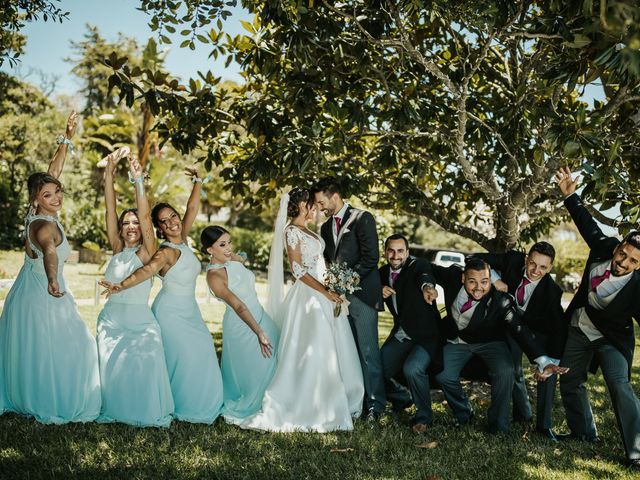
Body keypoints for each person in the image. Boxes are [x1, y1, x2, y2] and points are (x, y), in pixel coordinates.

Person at [232, 188, 364, 432]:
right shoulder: (291, 231)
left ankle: (331, 398)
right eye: (313, 204)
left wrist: (332, 285)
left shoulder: (307, 231)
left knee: (329, 348)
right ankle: (309, 404)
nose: (317, 208)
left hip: (322, 292)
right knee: (313, 348)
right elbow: (298, 270)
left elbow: (317, 264)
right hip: (308, 298)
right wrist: (325, 291)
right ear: (303, 206)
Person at [100, 166, 223, 424]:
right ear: (158, 228)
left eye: (173, 217)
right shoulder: (163, 251)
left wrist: (199, 181)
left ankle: (198, 403)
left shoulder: (184, 239)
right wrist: (121, 285)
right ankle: (181, 405)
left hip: (190, 310)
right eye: (164, 221)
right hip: (170, 312)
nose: (172, 223)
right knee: (182, 358)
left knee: (202, 354)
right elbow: (147, 271)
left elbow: (191, 209)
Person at [0, 112, 101, 423]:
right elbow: (49, 252)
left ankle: (27, 395)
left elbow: (52, 174)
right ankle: (53, 397)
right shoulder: (45, 226)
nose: (56, 197)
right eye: (48, 195)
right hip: (45, 293)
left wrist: (66, 138)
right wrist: (54, 279)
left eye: (57, 192)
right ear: (36, 199)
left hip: (25, 294)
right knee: (73, 344)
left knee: (34, 349)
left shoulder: (34, 211)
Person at [555, 166, 640, 470]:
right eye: (623, 254)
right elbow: (586, 223)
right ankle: (583, 433)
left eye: (633, 261)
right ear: (617, 247)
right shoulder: (604, 247)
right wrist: (569, 195)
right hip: (580, 328)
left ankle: (636, 450)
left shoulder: (638, 287)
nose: (623, 262)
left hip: (612, 339)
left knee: (620, 386)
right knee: (569, 381)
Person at [425, 258, 567, 433]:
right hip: (458, 342)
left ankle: (498, 426)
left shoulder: (501, 300)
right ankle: (464, 412)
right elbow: (426, 268)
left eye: (484, 282)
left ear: (490, 280)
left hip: (490, 342)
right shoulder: (452, 276)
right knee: (443, 375)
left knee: (506, 371)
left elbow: (519, 329)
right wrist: (427, 285)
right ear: (463, 278)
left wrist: (543, 360)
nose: (479, 288)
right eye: (472, 281)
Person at [95, 150, 174, 427]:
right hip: (111, 320)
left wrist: (138, 180)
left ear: (142, 229)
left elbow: (144, 214)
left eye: (135, 223)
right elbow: (109, 207)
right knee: (112, 369)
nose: (131, 226)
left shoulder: (147, 251)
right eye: (125, 223)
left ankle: (142, 411)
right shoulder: (117, 248)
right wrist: (109, 171)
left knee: (145, 364)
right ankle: (116, 409)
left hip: (140, 321)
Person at [470, 242, 565, 440]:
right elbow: (475, 258)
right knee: (513, 371)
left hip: (538, 332)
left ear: (550, 268)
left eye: (543, 267)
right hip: (509, 326)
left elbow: (557, 330)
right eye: (532, 264)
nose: (536, 271)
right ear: (525, 259)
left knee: (548, 372)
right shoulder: (513, 260)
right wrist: (495, 279)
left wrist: (549, 362)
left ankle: (544, 426)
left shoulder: (552, 292)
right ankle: (523, 415)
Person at [314, 177, 385, 422]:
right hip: (338, 298)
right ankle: (357, 400)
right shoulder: (325, 228)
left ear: (334, 195)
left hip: (362, 296)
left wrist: (347, 282)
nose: (320, 207)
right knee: (349, 352)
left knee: (367, 352)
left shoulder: (362, 218)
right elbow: (328, 260)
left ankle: (375, 406)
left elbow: (370, 258)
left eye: (322, 202)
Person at [203, 225, 279, 421]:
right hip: (243, 325)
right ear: (210, 250)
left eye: (229, 242)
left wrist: (239, 257)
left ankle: (278, 398)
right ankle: (255, 401)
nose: (229, 248)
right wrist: (259, 332)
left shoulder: (229, 258)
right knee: (254, 369)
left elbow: (240, 259)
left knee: (276, 358)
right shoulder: (215, 276)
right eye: (222, 244)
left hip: (260, 315)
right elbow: (238, 306)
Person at [379, 234, 443, 434]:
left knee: (413, 368)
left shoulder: (418, 265)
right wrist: (378, 290)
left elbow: (425, 276)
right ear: (385, 252)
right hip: (401, 335)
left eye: (400, 251)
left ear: (407, 253)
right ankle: (401, 397)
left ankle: (424, 417)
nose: (395, 255)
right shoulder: (381, 273)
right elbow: (368, 287)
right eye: (391, 250)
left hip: (425, 335)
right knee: (376, 369)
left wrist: (428, 287)